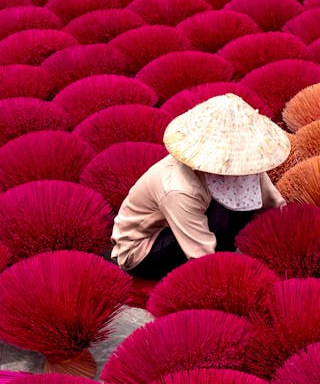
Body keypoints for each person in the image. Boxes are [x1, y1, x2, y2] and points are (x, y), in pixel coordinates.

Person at [110, 93, 289, 279]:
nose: (239, 165)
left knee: (242, 198)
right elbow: (200, 256)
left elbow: (272, 207)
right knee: (219, 219)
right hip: (144, 248)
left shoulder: (245, 162)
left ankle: (224, 252)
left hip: (193, 224)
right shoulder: (178, 188)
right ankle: (222, 259)